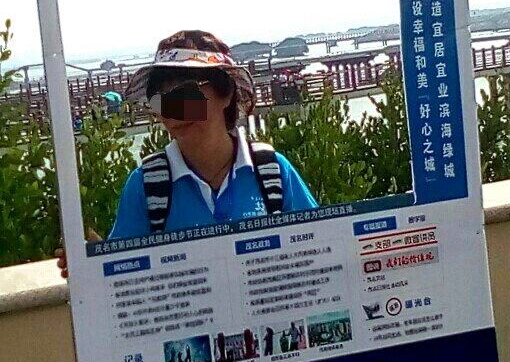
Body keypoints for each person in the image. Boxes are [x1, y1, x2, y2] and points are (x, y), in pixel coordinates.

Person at [56, 30, 318, 275]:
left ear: (226, 93)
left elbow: (320, 250)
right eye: (160, 99)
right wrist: (94, 264)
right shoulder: (146, 185)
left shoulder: (272, 171)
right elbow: (126, 275)